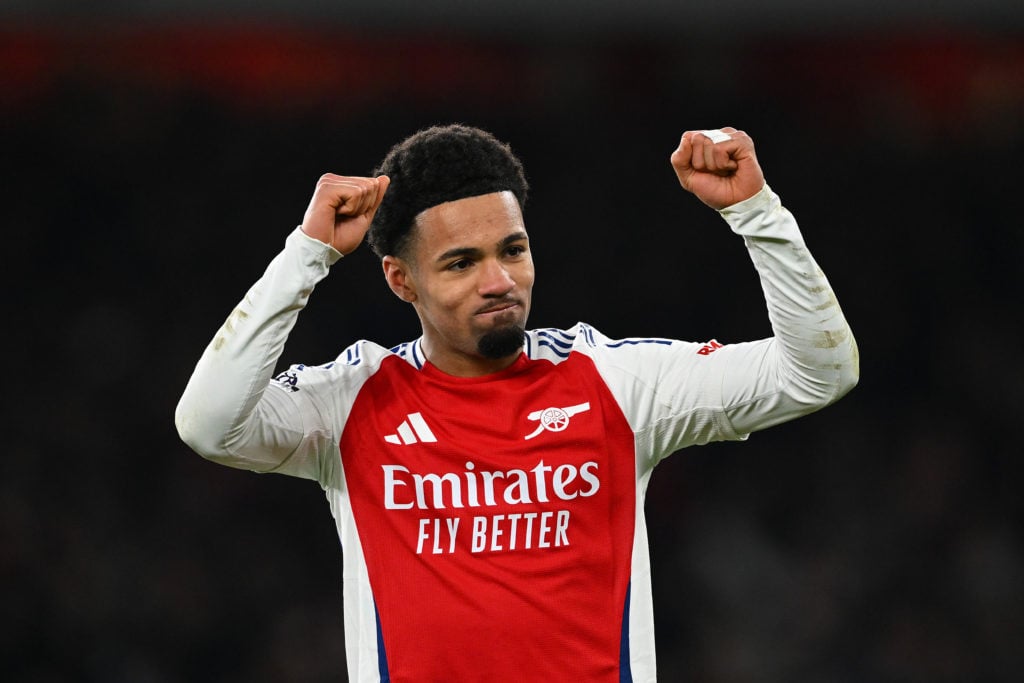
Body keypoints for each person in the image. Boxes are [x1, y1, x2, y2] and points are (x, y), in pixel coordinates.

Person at [175, 124, 858, 682]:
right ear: (399, 279)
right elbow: (208, 423)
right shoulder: (351, 402)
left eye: (513, 249)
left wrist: (758, 213)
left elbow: (818, 372)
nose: (499, 280)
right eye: (460, 262)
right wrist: (307, 255)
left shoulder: (621, 383)